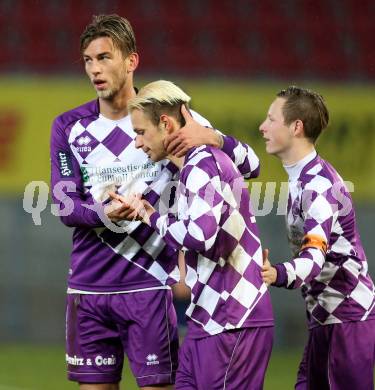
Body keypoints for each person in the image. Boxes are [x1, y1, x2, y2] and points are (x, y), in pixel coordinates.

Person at [50, 14, 262, 390]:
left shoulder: (168, 118)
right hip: (88, 288)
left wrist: (213, 136)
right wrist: (103, 212)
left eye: (104, 58)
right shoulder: (69, 127)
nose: (94, 69)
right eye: (88, 60)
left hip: (149, 284)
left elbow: (252, 165)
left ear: (131, 61)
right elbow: (65, 206)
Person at [119, 80, 274, 390]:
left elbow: (199, 236)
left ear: (165, 123)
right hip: (206, 318)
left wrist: (150, 215)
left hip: (233, 319)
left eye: (140, 133)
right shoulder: (188, 166)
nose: (137, 143)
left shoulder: (202, 163)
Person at [260, 86, 375, 389]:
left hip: (347, 321)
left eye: (271, 119)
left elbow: (314, 256)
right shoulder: (302, 178)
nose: (263, 126)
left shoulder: (319, 186)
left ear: (296, 127)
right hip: (328, 320)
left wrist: (279, 273)